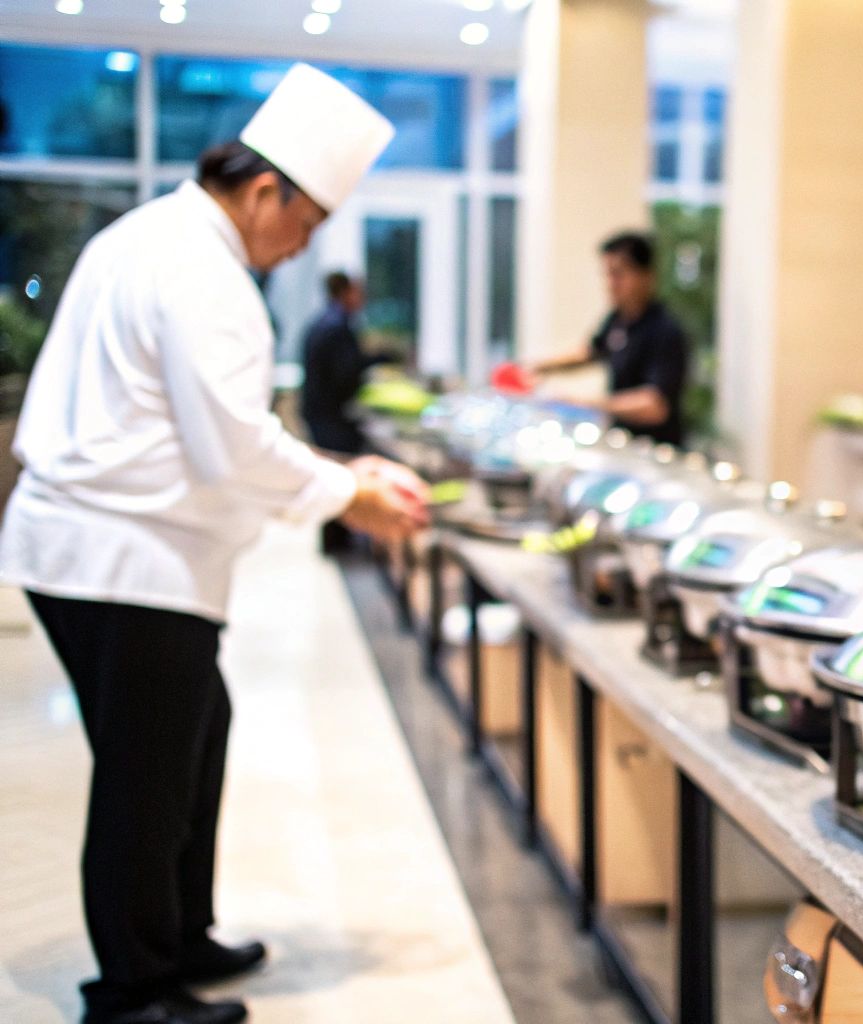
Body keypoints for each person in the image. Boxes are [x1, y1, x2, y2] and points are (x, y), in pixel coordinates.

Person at [0, 65, 428, 1024]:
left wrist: (338, 476)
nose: (298, 248)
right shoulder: (204, 267)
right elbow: (230, 442)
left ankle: (180, 932)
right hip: (124, 560)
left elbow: (213, 425)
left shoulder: (151, 236)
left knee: (197, 735)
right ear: (264, 189)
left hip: (102, 550)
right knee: (144, 780)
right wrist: (350, 494)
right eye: (306, 225)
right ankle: (134, 991)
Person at [535, 232, 689, 445]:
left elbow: (654, 406)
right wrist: (536, 368)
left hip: (654, 450)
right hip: (622, 441)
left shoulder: (665, 331)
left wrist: (584, 403)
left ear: (647, 276)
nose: (610, 284)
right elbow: (590, 352)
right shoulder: (618, 319)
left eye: (618, 274)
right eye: (607, 274)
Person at [301, 271, 393, 552]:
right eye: (358, 292)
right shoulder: (336, 326)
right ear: (345, 293)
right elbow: (345, 373)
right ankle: (338, 542)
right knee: (339, 471)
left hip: (319, 411)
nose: (361, 298)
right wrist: (379, 358)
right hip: (330, 415)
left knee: (333, 471)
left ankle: (337, 540)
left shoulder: (323, 321)